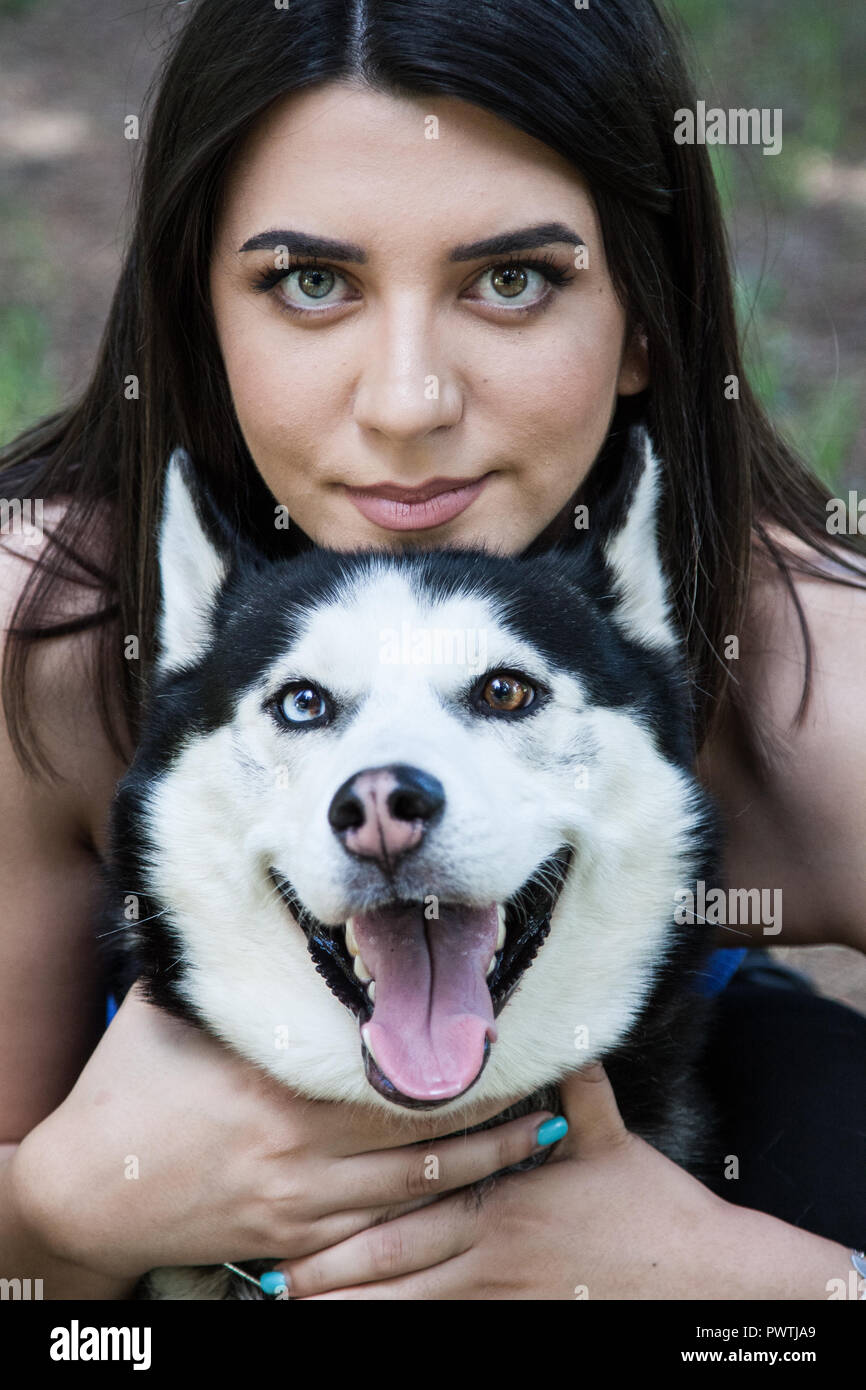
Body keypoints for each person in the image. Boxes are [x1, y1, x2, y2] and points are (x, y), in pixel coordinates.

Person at [1, 0, 864, 1300]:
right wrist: (63, 1208)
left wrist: (724, 1274)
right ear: (202, 318)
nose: (408, 404)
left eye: (510, 280)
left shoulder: (819, 680)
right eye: (311, 282)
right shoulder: (51, 618)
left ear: (645, 318)